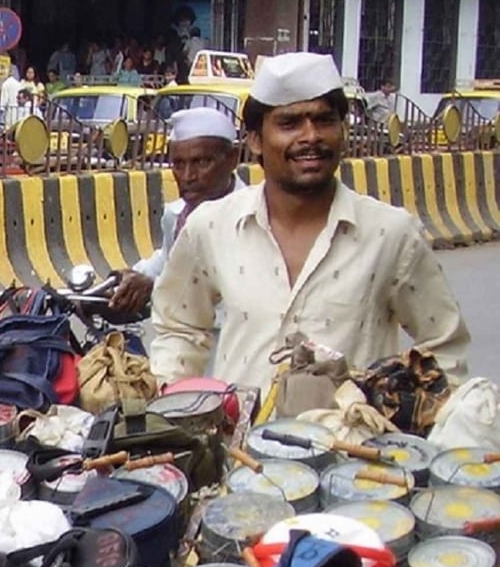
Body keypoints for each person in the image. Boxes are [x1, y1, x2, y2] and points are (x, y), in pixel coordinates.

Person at [150, 52, 469, 397]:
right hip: (238, 448)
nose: (310, 136)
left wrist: (412, 422)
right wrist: (177, 407)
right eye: (289, 124)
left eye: (324, 121)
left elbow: (444, 351)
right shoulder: (211, 227)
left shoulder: (391, 234)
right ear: (255, 140)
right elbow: (179, 327)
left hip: (352, 447)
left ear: (343, 130)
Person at [109, 107, 247, 313]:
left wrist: (155, 289)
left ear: (233, 159)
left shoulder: (252, 220)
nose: (188, 176)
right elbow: (168, 262)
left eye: (201, 162)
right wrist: (129, 277)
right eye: (178, 164)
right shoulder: (177, 216)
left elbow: (235, 301)